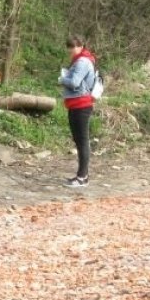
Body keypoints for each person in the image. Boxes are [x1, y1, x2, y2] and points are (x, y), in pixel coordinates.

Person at [58, 35, 97, 187]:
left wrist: (62, 79)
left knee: (82, 141)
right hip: (76, 105)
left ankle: (82, 177)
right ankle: (82, 175)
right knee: (79, 141)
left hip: (82, 105)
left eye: (74, 46)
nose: (71, 50)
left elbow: (74, 82)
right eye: (70, 47)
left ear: (81, 46)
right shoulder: (80, 60)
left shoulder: (82, 62)